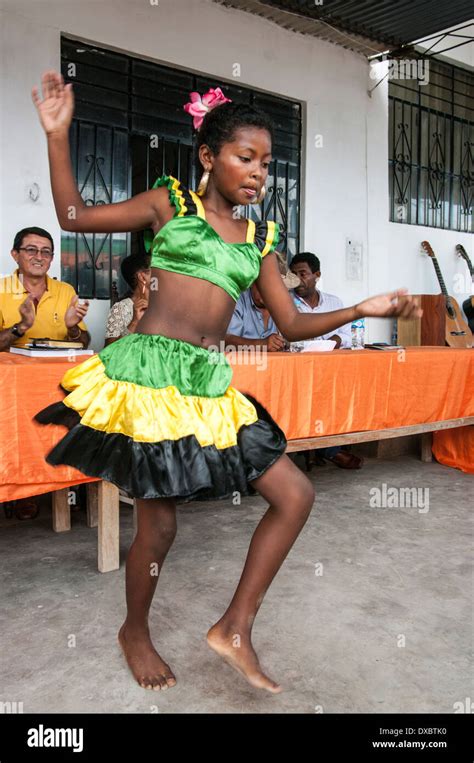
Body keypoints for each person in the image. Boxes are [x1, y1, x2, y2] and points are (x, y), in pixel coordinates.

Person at [31, 71, 422, 694]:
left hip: (208, 381)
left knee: (295, 494)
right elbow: (73, 214)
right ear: (209, 157)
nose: (259, 172)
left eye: (267, 163)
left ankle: (236, 626)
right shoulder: (171, 207)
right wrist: (57, 135)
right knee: (159, 526)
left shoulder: (260, 241)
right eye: (246, 157)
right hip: (148, 375)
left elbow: (290, 322)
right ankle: (134, 628)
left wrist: (359, 309)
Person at [289, 251, 362, 468]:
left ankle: (331, 445)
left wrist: (333, 340)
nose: (297, 280)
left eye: (303, 274)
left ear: (317, 275)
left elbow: (348, 335)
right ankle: (329, 450)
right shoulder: (285, 303)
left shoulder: (333, 302)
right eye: (293, 274)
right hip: (298, 371)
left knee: (346, 392)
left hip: (329, 371)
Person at [0, 226, 90, 351]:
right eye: (31, 250)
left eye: (46, 251)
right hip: (12, 369)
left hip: (56, 368)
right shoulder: (1, 289)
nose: (39, 257)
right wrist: (22, 326)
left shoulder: (65, 290)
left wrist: (73, 328)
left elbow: (84, 345)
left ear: (52, 258)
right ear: (15, 255)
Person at [225, 277, 298, 351]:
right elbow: (226, 340)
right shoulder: (237, 300)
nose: (272, 292)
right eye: (267, 286)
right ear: (253, 283)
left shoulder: (282, 304)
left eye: (277, 289)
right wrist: (261, 344)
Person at [104, 254, 151, 346]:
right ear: (142, 277)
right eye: (156, 269)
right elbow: (109, 350)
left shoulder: (164, 304)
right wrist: (134, 322)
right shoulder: (121, 309)